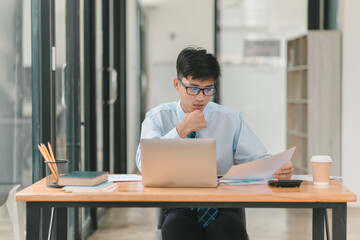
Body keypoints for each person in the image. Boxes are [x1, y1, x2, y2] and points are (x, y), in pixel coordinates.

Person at [136, 46, 294, 240]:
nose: (201, 97)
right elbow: (145, 165)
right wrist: (181, 129)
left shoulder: (230, 118)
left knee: (230, 231)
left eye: (208, 89)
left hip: (221, 204)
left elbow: (256, 157)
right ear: (177, 84)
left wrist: (278, 167)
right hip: (178, 204)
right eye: (193, 88)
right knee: (179, 231)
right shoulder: (158, 118)